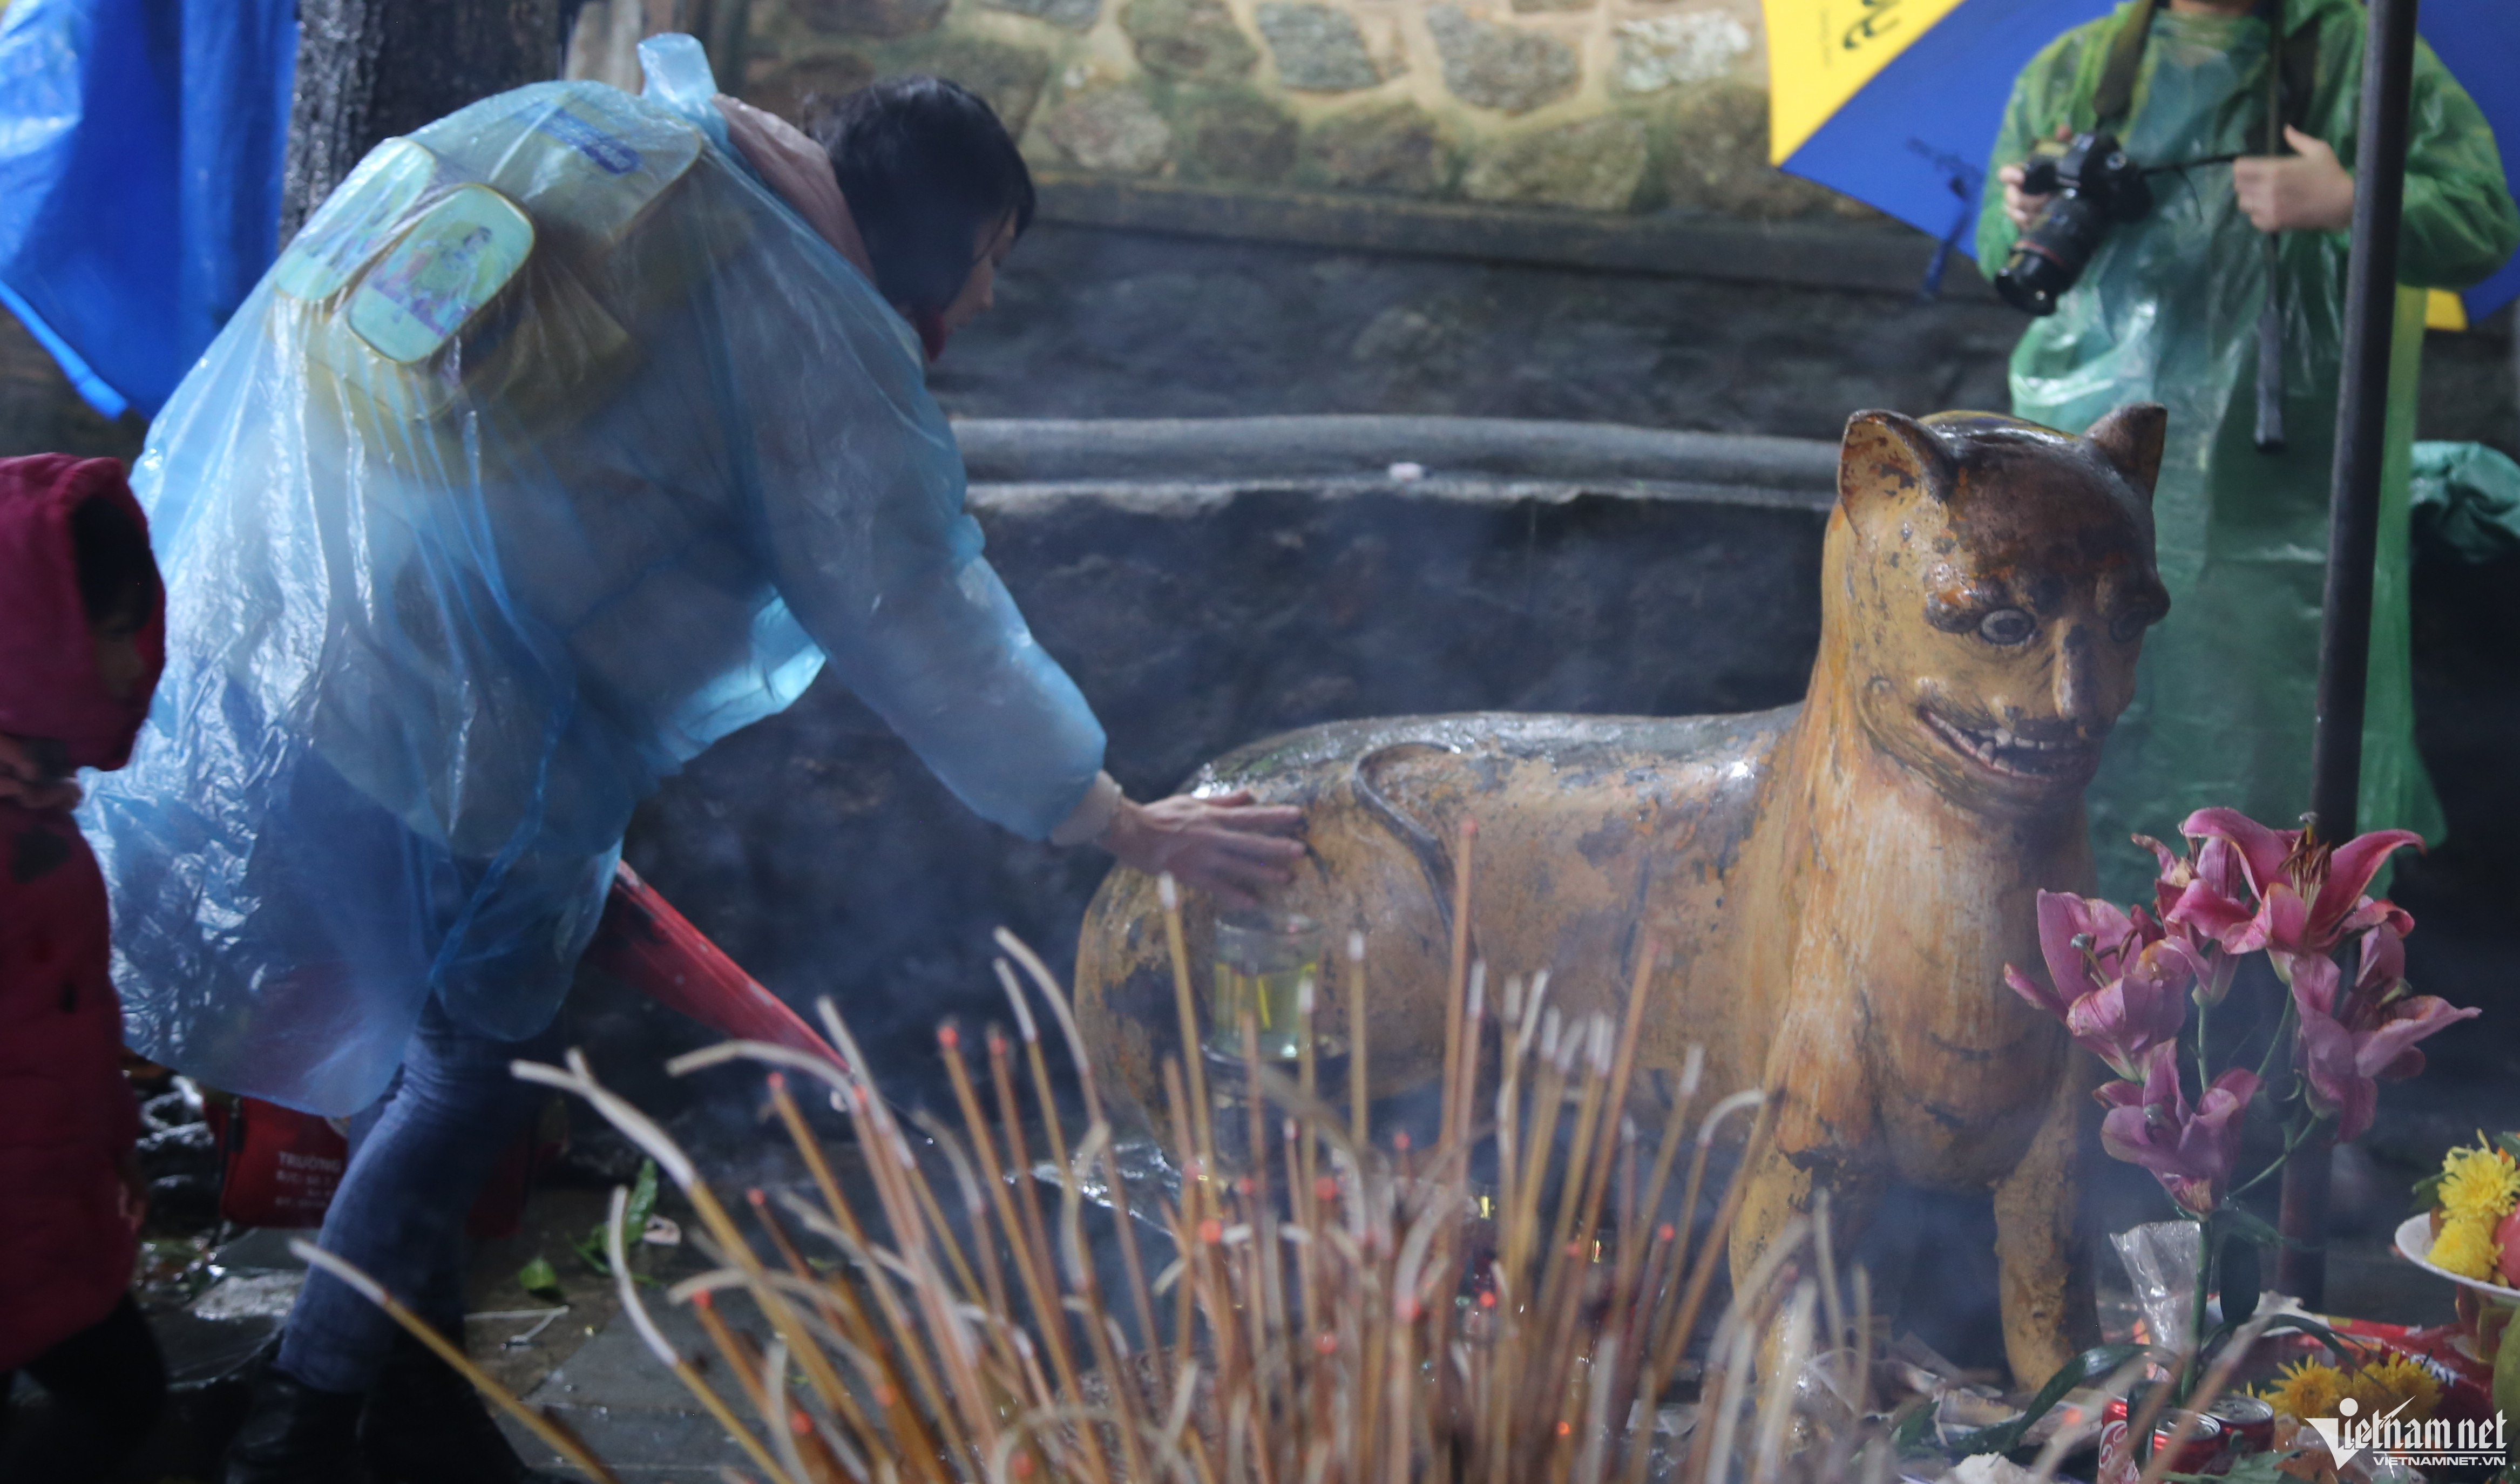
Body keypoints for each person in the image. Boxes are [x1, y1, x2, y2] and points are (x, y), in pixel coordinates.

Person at [79, 43, 1304, 1484]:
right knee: (469, 1071)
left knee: (414, 1049)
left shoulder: (607, 141)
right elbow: (922, 616)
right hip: (459, 717)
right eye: (987, 265)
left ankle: (412, 1389)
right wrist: (1115, 818)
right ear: (942, 238)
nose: (981, 303)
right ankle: (307, 1414)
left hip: (260, 619)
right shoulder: (812, 328)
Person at [1975, 0, 2518, 905]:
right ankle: (2094, 948)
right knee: (2088, 705)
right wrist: (2022, 213)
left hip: (2285, 486)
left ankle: (2286, 956)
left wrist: (2351, 199)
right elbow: (2004, 256)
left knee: (2274, 733)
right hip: (2089, 473)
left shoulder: (2363, 55)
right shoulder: (2075, 69)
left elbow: (2483, 224)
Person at [0, 455, 170, 1483]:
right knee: (121, 1398)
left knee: (120, 1396)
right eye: (108, 632)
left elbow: (64, 1012)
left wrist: (112, 1144)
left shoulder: (35, 802)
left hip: (44, 1201)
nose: (132, 663)